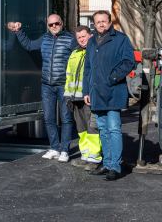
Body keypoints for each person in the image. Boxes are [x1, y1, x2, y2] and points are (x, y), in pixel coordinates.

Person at [7, 14, 77, 162]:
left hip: (64, 85)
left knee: (66, 118)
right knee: (48, 118)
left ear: (62, 23)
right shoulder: (44, 39)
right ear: (48, 26)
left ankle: (65, 150)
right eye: (50, 25)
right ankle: (54, 148)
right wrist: (18, 32)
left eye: (56, 23)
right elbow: (29, 45)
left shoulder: (70, 39)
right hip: (47, 85)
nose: (54, 27)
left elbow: (80, 57)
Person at [83, 10, 135, 180]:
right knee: (103, 130)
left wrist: (112, 77)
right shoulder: (91, 42)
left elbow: (129, 62)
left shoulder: (120, 39)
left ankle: (115, 166)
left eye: (104, 21)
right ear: (94, 24)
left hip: (113, 92)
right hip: (96, 92)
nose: (101, 24)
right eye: (97, 22)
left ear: (110, 22)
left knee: (113, 129)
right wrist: (86, 91)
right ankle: (107, 162)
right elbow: (88, 68)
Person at [64, 25, 101, 170]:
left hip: (89, 98)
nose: (81, 40)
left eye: (83, 36)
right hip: (75, 98)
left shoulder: (95, 52)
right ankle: (85, 156)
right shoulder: (74, 53)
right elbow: (68, 76)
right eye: (78, 37)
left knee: (93, 129)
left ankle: (94, 158)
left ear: (90, 36)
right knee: (82, 130)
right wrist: (67, 96)